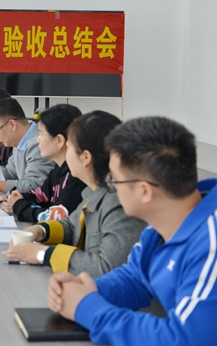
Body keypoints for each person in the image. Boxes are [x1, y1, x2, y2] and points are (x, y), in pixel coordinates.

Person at [48, 117, 217, 345]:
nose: (111, 186)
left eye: (114, 179)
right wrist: (88, 289)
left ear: (144, 191)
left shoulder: (211, 243)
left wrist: (87, 307)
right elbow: (135, 279)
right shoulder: (160, 225)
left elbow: (184, 339)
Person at [3, 111, 147, 276]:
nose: (66, 153)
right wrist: (40, 230)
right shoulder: (92, 190)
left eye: (69, 148)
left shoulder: (119, 202)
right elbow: (72, 225)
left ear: (85, 157)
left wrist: (42, 254)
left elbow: (105, 266)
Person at [0, 104, 86, 222]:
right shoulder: (58, 169)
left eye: (41, 133)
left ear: (59, 141)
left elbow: (55, 218)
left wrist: (18, 205)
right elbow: (41, 195)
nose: (38, 139)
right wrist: (18, 197)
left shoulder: (76, 175)